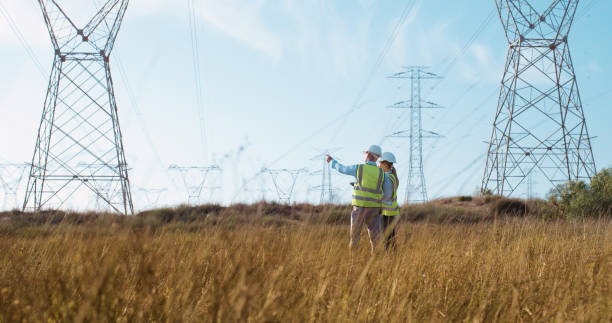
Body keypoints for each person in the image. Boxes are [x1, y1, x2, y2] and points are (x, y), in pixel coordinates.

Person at [326, 144, 392, 252]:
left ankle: (352, 262)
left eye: (366, 153)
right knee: (376, 238)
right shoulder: (382, 174)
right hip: (374, 209)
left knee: (354, 237)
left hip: (359, 208)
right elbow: (388, 193)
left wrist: (332, 161)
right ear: (377, 157)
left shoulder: (359, 168)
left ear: (369, 154)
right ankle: (378, 262)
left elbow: (342, 169)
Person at [378, 152, 399, 251]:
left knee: (387, 239)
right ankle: (392, 258)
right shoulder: (392, 176)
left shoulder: (387, 177)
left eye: (380, 162)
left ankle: (390, 259)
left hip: (387, 214)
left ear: (385, 163)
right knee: (391, 238)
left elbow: (387, 195)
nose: (378, 164)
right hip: (392, 212)